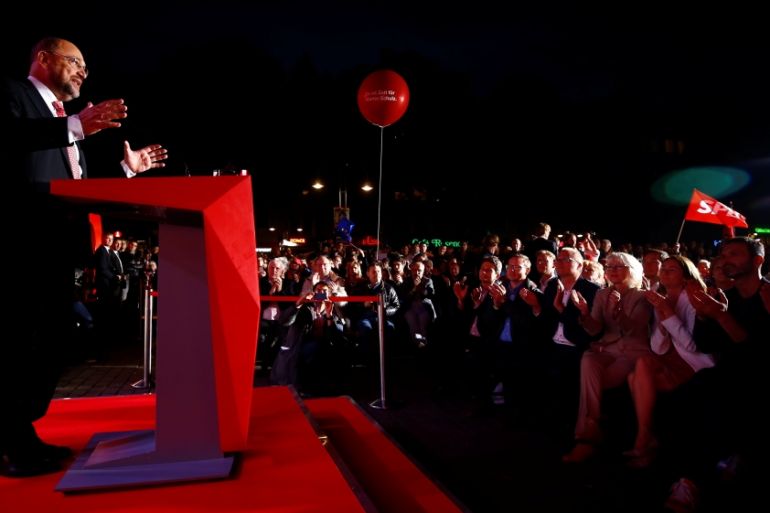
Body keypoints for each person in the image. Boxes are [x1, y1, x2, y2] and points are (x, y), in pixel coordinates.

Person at [1, 36, 168, 477]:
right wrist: (72, 127)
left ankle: (19, 430)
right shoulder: (13, 95)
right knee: (22, 343)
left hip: (59, 250)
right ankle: (12, 441)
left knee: (52, 340)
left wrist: (127, 172)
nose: (82, 72)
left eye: (86, 67)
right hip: (22, 247)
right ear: (43, 58)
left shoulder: (63, 122)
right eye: (75, 62)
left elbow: (74, 187)